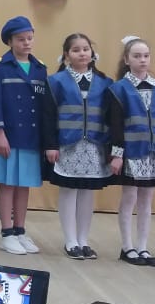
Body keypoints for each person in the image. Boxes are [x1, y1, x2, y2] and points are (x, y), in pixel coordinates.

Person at [0, 16, 58, 255]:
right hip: (9, 135)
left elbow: (43, 106)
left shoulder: (39, 68)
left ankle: (19, 230)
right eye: (20, 39)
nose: (26, 43)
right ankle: (6, 233)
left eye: (29, 38)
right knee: (8, 183)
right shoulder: (0, 66)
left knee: (24, 185)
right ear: (10, 41)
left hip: (30, 136)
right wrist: (0, 133)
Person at [45, 33, 112, 260]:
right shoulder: (56, 81)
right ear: (66, 55)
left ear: (92, 53)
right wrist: (51, 144)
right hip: (67, 143)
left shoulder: (105, 83)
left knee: (87, 192)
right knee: (69, 190)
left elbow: (110, 117)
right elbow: (48, 116)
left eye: (85, 49)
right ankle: (70, 240)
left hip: (94, 144)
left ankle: (83, 240)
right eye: (76, 50)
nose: (82, 53)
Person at [106, 36, 155, 268]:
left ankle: (143, 246)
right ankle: (127, 247)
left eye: (146, 56)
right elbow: (115, 125)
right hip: (131, 152)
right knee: (130, 197)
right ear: (127, 60)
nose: (142, 60)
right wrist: (117, 154)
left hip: (153, 153)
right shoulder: (118, 89)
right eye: (137, 56)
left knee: (146, 199)